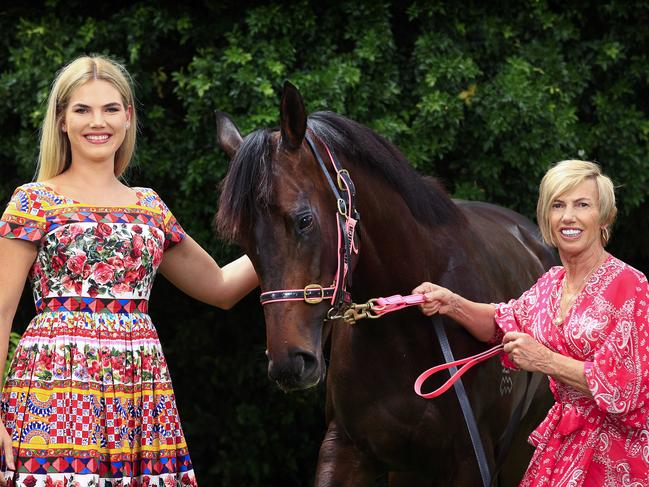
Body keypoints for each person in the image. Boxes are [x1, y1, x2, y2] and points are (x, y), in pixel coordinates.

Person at [0, 55, 258, 487]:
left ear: (128, 117)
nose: (96, 122)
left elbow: (220, 287)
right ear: (62, 120)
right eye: (82, 109)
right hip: (56, 387)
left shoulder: (149, 207)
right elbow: (1, 309)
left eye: (110, 108)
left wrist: (297, 246)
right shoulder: (33, 201)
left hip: (139, 390)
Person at [413, 160, 649, 486]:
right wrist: (451, 303)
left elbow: (628, 388)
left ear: (604, 216)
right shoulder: (550, 284)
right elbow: (500, 323)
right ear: (547, 218)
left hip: (615, 456)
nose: (568, 216)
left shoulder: (631, 285)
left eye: (582, 205)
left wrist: (545, 360)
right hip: (561, 447)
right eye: (558, 205)